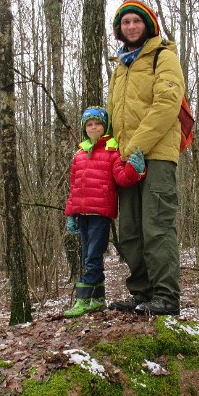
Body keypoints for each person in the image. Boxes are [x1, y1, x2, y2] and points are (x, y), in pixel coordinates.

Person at [106, 0, 185, 316]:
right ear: (119, 29)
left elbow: (167, 105)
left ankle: (166, 296)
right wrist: (109, 152)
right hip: (126, 161)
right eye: (125, 22)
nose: (131, 27)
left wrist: (134, 148)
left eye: (136, 21)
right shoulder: (120, 68)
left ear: (148, 25)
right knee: (130, 231)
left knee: (156, 226)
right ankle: (142, 293)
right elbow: (114, 116)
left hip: (157, 156)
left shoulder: (163, 57)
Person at [63, 107, 146, 318]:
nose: (93, 128)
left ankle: (83, 300)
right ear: (84, 128)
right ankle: (98, 299)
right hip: (82, 214)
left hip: (100, 214)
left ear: (105, 126)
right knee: (88, 257)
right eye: (89, 125)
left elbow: (122, 178)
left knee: (93, 256)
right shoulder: (79, 154)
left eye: (98, 124)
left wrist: (135, 170)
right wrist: (71, 214)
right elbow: (74, 186)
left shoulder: (112, 151)